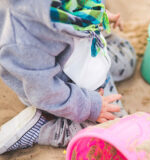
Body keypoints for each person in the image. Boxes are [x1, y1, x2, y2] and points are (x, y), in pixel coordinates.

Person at [0, 0, 136, 154]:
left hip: (83, 53)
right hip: (61, 89)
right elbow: (45, 93)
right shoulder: (23, 38)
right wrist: (91, 106)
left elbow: (76, 6)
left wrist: (98, 15)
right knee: (115, 126)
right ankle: (43, 128)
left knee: (128, 60)